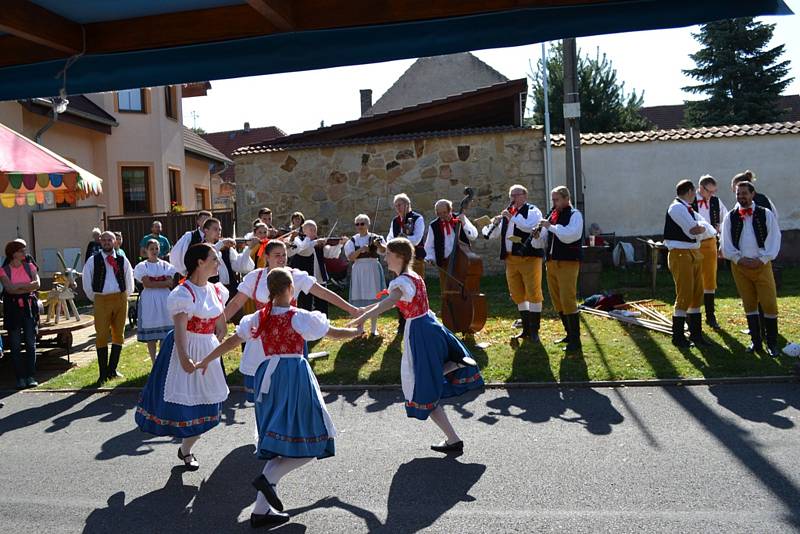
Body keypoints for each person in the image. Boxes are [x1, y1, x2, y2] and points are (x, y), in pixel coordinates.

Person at [197, 268, 361, 526]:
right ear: (289, 289)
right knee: (311, 438)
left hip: (267, 378)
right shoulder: (298, 317)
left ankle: (260, 511)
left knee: (278, 439)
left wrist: (207, 360)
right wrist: (355, 332)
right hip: (293, 376)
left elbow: (231, 341)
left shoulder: (258, 317)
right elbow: (332, 332)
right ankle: (267, 481)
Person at [349, 238, 483, 453]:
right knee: (424, 385)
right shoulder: (413, 277)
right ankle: (452, 436)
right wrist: (362, 311)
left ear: (399, 257)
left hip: (419, 332)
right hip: (429, 325)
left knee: (420, 387)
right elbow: (390, 300)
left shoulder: (401, 282)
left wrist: (363, 318)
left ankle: (448, 371)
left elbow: (389, 302)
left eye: (388, 255)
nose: (385, 258)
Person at [225, 240, 361, 401]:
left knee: (292, 391)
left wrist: (351, 309)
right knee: (265, 393)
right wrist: (220, 323)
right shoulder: (255, 277)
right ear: (266, 257)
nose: (282, 259)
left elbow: (323, 293)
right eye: (277, 255)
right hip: (263, 338)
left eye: (284, 255)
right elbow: (236, 302)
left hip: (290, 335)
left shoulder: (294, 275)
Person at [135, 243, 229, 471]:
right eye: (214, 259)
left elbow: (220, 322)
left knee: (210, 406)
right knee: (184, 404)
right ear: (200, 262)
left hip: (207, 349)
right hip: (184, 346)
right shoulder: (182, 293)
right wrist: (185, 357)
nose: (218, 263)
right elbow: (179, 329)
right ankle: (186, 451)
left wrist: (220, 331)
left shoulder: (216, 290)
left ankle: (185, 449)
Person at [720, 181, 782, 356]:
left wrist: (762, 259)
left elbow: (774, 237)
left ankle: (772, 343)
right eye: (738, 194)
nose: (741, 197)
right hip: (740, 267)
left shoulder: (765, 214)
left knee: (769, 304)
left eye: (744, 193)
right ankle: (756, 342)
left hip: (762, 265)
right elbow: (726, 243)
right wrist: (738, 260)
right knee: (749, 303)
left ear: (752, 194)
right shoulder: (730, 217)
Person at [482, 184, 546, 342]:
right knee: (517, 293)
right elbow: (492, 235)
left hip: (529, 257)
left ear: (525, 195)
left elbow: (529, 227)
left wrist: (511, 217)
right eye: (511, 195)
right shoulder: (508, 213)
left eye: (516, 195)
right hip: (510, 258)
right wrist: (493, 224)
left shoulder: (532, 210)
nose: (513, 198)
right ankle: (525, 329)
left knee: (533, 292)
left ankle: (534, 330)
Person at [663, 180, 715, 348]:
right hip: (680, 253)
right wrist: (702, 228)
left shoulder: (687, 208)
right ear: (690, 191)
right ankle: (678, 337)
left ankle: (696, 334)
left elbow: (708, 229)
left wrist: (702, 228)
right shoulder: (677, 207)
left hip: (693, 252)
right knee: (685, 293)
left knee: (696, 293)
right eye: (694, 192)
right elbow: (694, 229)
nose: (695, 195)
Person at [82, 231, 135, 383]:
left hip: (120, 297)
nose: (106, 242)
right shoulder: (93, 260)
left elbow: (129, 279)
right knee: (102, 335)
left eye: (109, 240)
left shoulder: (122, 259)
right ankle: (102, 373)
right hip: (101, 299)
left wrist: (125, 295)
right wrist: (95, 297)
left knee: (119, 334)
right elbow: (86, 281)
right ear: (100, 241)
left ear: (115, 241)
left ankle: (112, 369)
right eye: (103, 240)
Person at [538, 186, 584, 352]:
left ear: (566, 198)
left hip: (568, 262)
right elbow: (547, 239)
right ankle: (568, 334)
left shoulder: (575, 215)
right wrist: (538, 235)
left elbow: (570, 235)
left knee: (568, 299)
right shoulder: (554, 215)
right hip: (551, 262)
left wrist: (550, 226)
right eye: (553, 200)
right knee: (557, 299)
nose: (554, 203)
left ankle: (576, 340)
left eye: (557, 199)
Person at [0, 239, 41, 388]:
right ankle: (20, 378)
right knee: (15, 345)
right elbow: (9, 289)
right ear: (13, 253)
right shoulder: (4, 270)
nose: (25, 252)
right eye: (22, 250)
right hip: (12, 310)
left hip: (28, 308)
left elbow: (37, 284)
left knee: (31, 343)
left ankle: (31, 376)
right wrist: (27, 286)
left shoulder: (30, 266)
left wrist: (19, 287)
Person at [691, 175, 727, 329]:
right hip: (693, 244)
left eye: (714, 191)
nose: (712, 194)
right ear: (701, 188)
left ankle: (710, 315)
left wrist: (721, 229)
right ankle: (691, 314)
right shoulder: (689, 200)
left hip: (710, 243)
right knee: (692, 279)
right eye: (709, 191)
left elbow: (727, 219)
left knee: (710, 279)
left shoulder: (716, 201)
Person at [386, 193, 426, 333]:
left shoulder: (418, 218)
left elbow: (416, 238)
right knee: (400, 290)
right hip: (399, 261)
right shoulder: (395, 221)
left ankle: (417, 320)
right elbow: (390, 238)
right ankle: (402, 322)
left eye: (400, 205)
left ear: (407, 204)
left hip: (415, 259)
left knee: (415, 291)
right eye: (396, 205)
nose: (398, 208)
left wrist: (404, 238)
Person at [289, 220, 345, 315]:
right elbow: (304, 249)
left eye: (315, 230)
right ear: (304, 231)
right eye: (311, 230)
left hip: (319, 277)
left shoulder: (318, 243)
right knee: (306, 306)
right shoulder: (299, 241)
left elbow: (330, 254)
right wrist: (315, 242)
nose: (314, 233)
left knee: (322, 306)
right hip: (306, 279)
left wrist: (340, 244)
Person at [133, 240, 176, 363]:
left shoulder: (165, 265)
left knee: (164, 332)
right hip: (149, 300)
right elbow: (147, 283)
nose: (154, 251)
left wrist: (154, 282)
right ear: (146, 250)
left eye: (156, 248)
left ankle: (162, 360)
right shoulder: (142, 266)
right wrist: (161, 282)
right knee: (151, 333)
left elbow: (170, 283)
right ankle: (153, 360)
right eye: (151, 249)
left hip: (164, 299)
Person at [344, 214, 387, 336]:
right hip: (359, 268)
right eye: (357, 224)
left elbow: (384, 251)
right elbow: (351, 257)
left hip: (372, 267)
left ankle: (374, 328)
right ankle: (360, 328)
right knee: (359, 295)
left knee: (374, 295)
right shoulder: (353, 240)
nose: (360, 226)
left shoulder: (376, 238)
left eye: (362, 223)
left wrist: (378, 245)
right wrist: (360, 250)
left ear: (368, 225)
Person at [423, 198, 478, 290]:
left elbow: (473, 236)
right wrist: (430, 258)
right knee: (447, 291)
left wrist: (464, 223)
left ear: (450, 210)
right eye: (439, 214)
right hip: (444, 263)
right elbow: (429, 246)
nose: (442, 216)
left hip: (462, 261)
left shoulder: (460, 218)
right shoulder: (434, 225)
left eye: (444, 213)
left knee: (465, 288)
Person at [200, 217, 250, 299]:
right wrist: (222, 243)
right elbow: (209, 252)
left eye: (219, 229)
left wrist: (248, 249)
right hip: (211, 292)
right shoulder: (201, 247)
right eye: (215, 229)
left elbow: (238, 265)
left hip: (230, 289)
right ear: (206, 230)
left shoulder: (226, 246)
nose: (219, 232)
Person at [170, 210, 213, 275]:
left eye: (209, 221)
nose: (207, 224)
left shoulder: (214, 237)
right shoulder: (190, 236)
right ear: (198, 221)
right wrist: (184, 270)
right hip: (193, 273)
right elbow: (177, 253)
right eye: (204, 221)